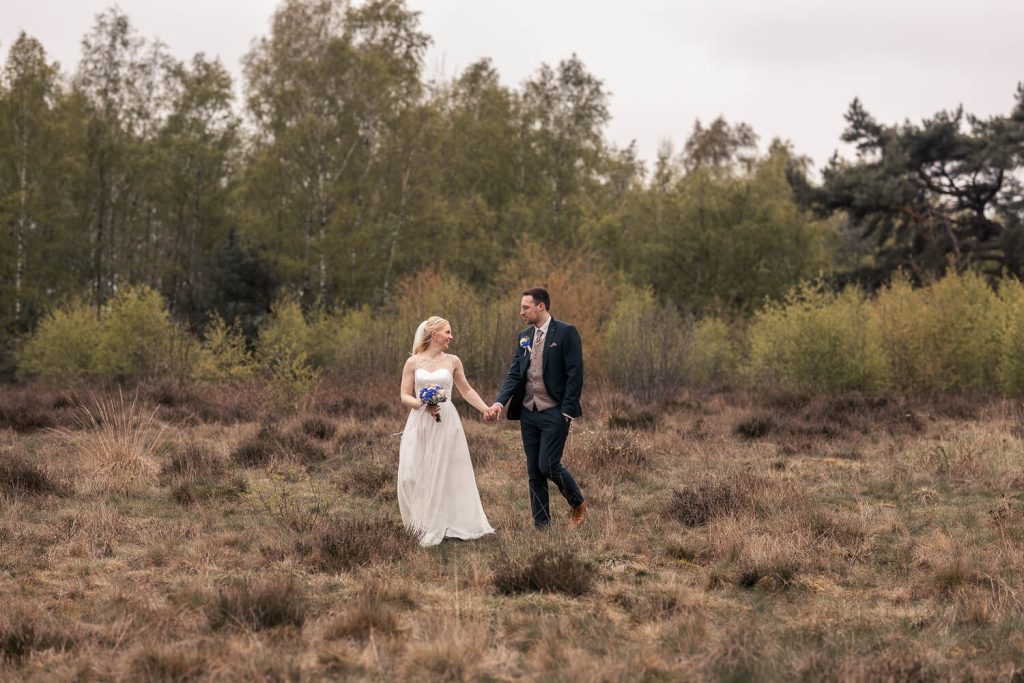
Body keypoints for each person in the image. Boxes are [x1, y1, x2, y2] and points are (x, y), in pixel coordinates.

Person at [485, 288, 586, 529]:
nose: (521, 312)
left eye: (525, 307)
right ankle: (542, 525)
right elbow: (514, 373)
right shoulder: (524, 336)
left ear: (541, 306)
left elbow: (575, 374)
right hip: (528, 413)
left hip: (555, 411)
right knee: (534, 471)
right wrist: (499, 402)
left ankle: (577, 502)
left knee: (548, 464)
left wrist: (567, 410)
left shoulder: (566, 332)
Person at [398, 316, 495, 547]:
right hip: (420, 421)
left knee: (446, 469)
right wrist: (423, 404)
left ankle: (449, 520)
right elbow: (404, 396)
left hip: (446, 421)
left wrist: (485, 409)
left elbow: (466, 390)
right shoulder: (413, 362)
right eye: (447, 332)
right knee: (413, 472)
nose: (451, 337)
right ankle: (421, 521)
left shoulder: (453, 361)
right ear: (434, 335)